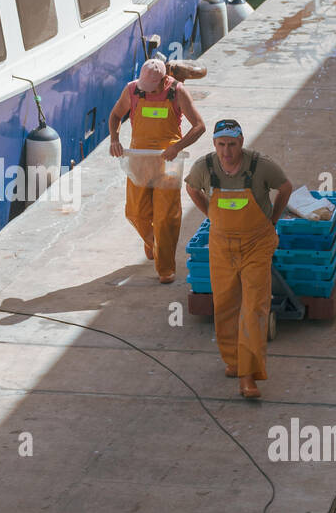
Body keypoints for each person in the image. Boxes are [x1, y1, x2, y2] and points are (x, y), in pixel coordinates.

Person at [185, 120, 292, 398]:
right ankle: (233, 361)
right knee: (225, 305)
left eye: (232, 144)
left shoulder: (260, 166)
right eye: (221, 144)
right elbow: (191, 188)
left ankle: (248, 375)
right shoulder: (204, 168)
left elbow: (286, 187)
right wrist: (210, 215)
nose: (227, 151)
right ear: (214, 144)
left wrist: (272, 221)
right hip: (222, 246)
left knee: (254, 308)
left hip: (257, 245)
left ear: (241, 142)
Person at [109, 59, 206, 283]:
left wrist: (177, 147)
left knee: (166, 217)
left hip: (168, 162)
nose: (144, 90)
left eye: (150, 87)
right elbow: (115, 115)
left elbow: (199, 125)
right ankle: (153, 242)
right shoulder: (133, 90)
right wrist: (114, 139)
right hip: (140, 160)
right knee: (135, 212)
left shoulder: (178, 92)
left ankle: (166, 269)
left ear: (163, 80)